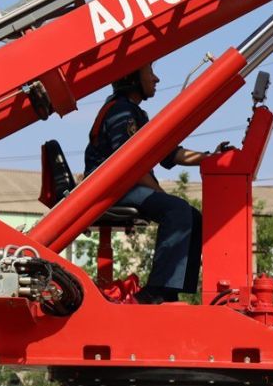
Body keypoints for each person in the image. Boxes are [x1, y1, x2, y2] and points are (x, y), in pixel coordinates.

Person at [83, 63, 228, 304]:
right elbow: (131, 163)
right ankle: (156, 291)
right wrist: (161, 194)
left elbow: (167, 153)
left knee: (192, 216)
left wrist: (211, 158)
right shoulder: (120, 112)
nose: (156, 78)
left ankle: (171, 290)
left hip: (122, 186)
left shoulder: (133, 113)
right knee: (177, 210)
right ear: (132, 78)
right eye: (149, 72)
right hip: (108, 190)